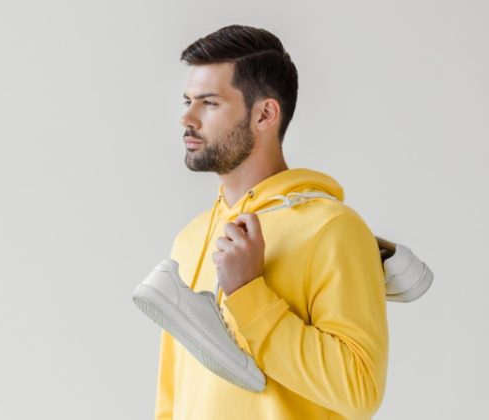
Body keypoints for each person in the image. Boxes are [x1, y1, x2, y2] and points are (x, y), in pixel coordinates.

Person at [155, 24, 388, 419]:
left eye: (209, 103)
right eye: (187, 100)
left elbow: (360, 390)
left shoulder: (332, 229)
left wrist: (249, 294)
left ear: (265, 114)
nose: (186, 118)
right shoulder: (191, 239)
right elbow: (173, 397)